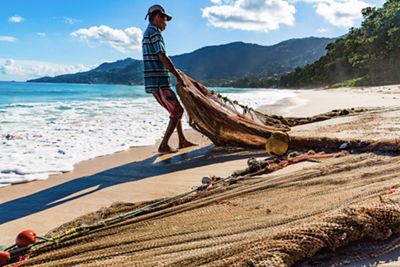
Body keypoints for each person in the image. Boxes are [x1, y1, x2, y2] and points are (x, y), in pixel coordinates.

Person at [142, 4, 196, 154]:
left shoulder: (147, 33)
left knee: (174, 111)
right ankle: (164, 145)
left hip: (153, 83)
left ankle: (182, 140)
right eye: (165, 19)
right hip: (160, 81)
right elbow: (162, 55)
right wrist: (177, 76)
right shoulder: (155, 33)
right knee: (178, 111)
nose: (165, 23)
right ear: (157, 17)